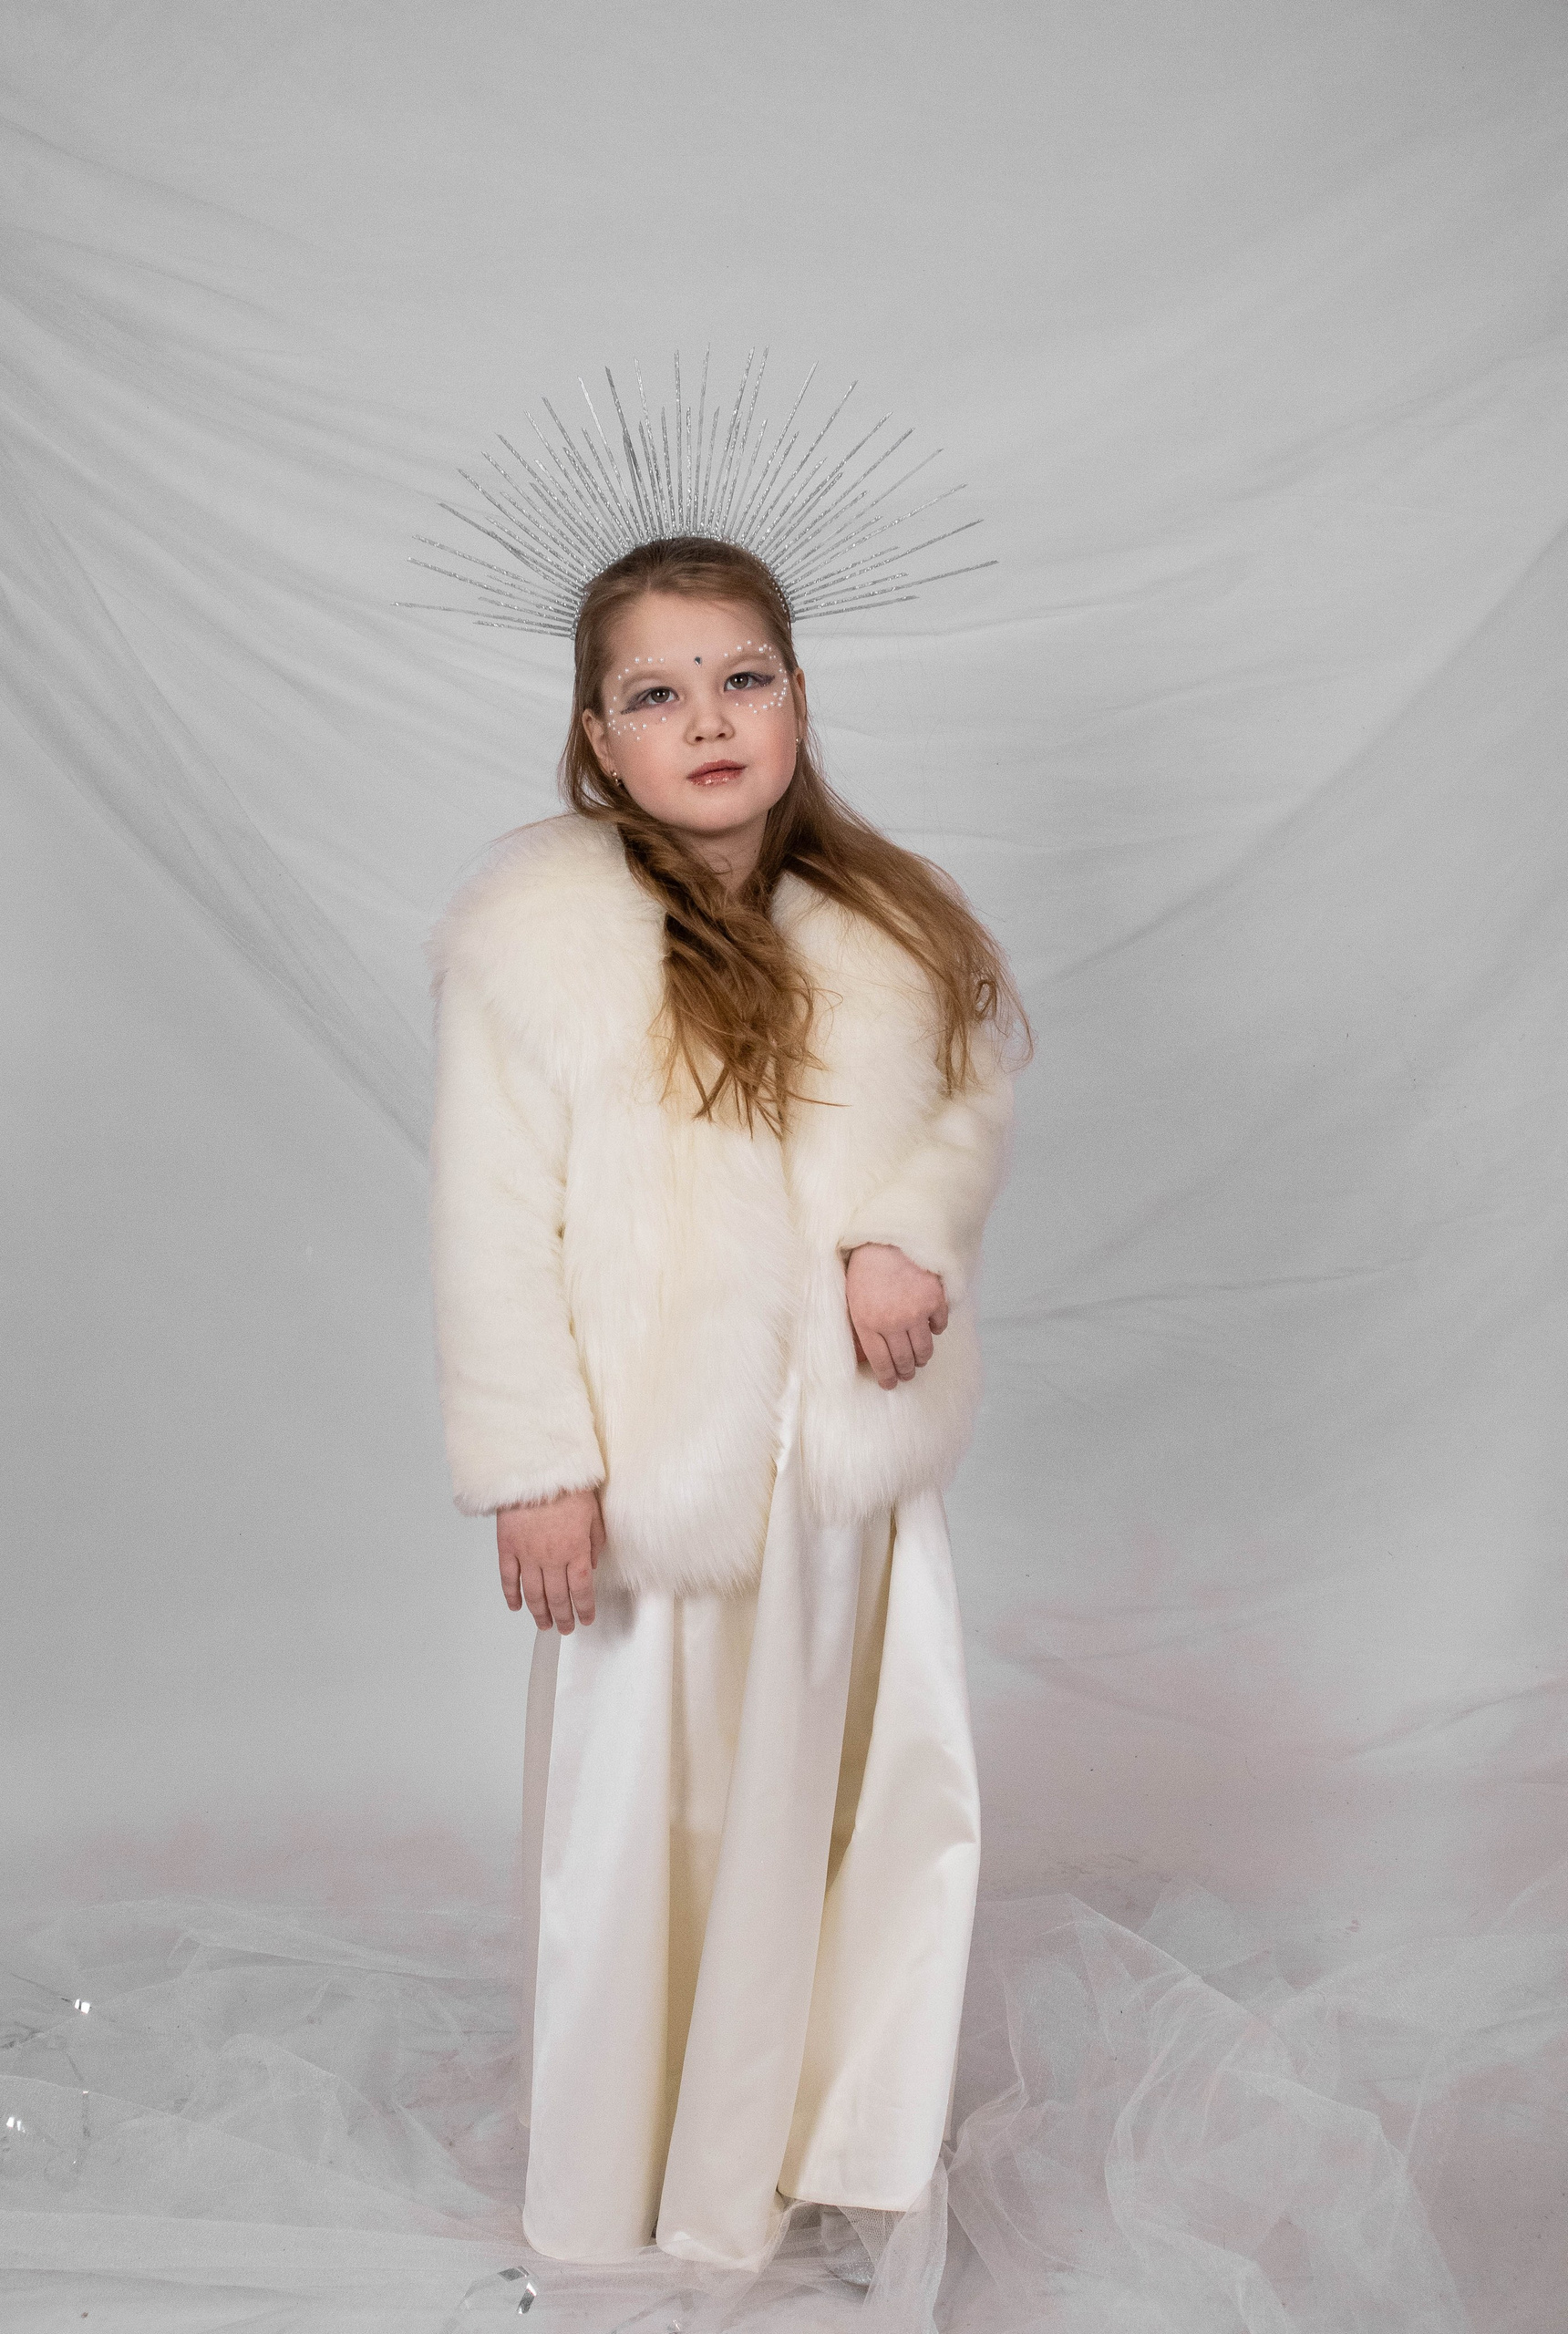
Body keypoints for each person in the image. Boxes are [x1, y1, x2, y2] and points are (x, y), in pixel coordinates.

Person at [428, 533, 1026, 2267]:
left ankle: (827, 2140)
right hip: (658, 1467)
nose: (708, 721)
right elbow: (492, 1217)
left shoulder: (893, 924)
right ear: (597, 738)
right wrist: (537, 1462)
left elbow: (968, 1099)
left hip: (841, 1471)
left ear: (798, 700)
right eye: (657, 694)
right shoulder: (538, 940)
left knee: (854, 1809)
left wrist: (905, 1233)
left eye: (742, 679)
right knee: (656, 1829)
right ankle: (639, 2180)